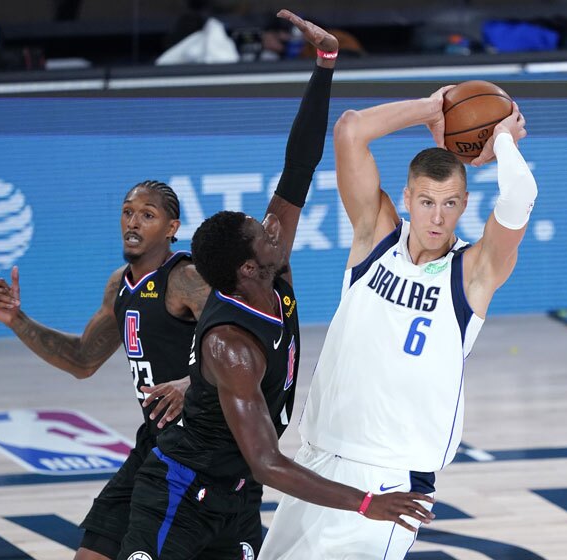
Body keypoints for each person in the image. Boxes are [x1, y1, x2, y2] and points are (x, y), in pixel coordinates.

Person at [116, 10, 435, 560]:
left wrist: (325, 66)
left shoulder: (270, 265)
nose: (271, 229)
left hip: (238, 498)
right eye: (259, 234)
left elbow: (299, 165)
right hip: (182, 493)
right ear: (247, 268)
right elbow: (268, 459)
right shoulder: (230, 344)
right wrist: (366, 504)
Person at [260, 87, 537, 559]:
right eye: (427, 201)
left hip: (392, 477)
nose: (437, 216)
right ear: (407, 197)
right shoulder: (376, 237)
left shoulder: (473, 272)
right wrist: (433, 109)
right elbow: (351, 130)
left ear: (465, 205)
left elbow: (521, 196)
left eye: (450, 204)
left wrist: (504, 142)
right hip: (319, 460)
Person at [0, 178, 209, 560]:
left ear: (172, 229)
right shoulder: (119, 285)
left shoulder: (186, 279)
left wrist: (191, 382)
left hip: (197, 450)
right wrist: (17, 320)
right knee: (91, 553)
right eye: (128, 212)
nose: (133, 223)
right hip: (154, 443)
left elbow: (238, 347)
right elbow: (83, 360)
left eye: (147, 215)